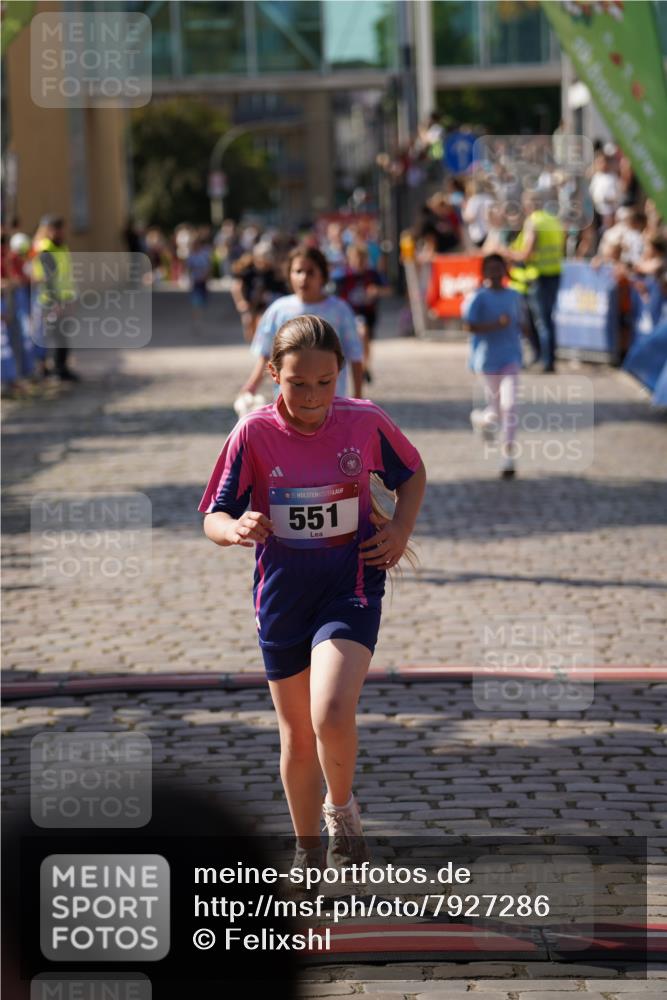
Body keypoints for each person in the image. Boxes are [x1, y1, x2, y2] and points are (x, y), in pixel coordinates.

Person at [199, 316, 426, 873]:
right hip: (281, 598)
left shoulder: (364, 421)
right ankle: (306, 849)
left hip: (349, 585)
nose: (312, 396)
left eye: (325, 383)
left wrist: (399, 530)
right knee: (298, 736)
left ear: (340, 374)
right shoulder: (252, 433)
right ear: (273, 373)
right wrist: (234, 530)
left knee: (329, 709)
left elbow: (412, 472)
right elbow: (213, 514)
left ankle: (341, 811)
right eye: (298, 383)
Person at [240, 245, 364, 399]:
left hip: (331, 402)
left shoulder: (340, 310)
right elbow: (266, 354)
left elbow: (355, 356)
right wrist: (252, 385)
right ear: (289, 274)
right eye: (298, 271)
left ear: (323, 275)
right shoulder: (278, 310)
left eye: (310, 272)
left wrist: (358, 399)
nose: (303, 278)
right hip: (288, 403)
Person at [463, 254, 527, 479]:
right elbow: (469, 326)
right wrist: (495, 325)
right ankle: (481, 418)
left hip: (511, 358)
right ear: (484, 272)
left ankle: (508, 456)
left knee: (509, 406)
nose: (495, 273)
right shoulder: (479, 297)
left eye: (499, 268)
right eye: (490, 269)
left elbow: (523, 323)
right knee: (496, 409)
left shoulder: (515, 296)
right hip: (487, 359)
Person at [507, 191, 564, 373]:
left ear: (528, 205)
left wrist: (505, 252)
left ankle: (545, 360)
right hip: (555, 273)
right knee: (547, 319)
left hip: (538, 276)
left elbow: (526, 254)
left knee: (541, 322)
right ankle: (545, 358)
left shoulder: (533, 222)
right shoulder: (553, 220)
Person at [29, 215, 79, 381]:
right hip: (49, 300)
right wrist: (55, 302)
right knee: (48, 335)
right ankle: (49, 369)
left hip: (63, 298)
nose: (62, 232)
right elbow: (47, 278)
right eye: (58, 229)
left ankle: (60, 367)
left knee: (61, 334)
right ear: (49, 230)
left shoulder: (60, 246)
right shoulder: (45, 248)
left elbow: (66, 275)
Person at [335, 243, 391, 384]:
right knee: (361, 333)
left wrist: (377, 291)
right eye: (356, 258)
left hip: (367, 313)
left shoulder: (372, 275)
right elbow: (330, 289)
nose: (359, 262)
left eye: (362, 259)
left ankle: (365, 366)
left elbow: (389, 289)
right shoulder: (343, 276)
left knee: (365, 337)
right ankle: (354, 367)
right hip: (348, 314)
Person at [231, 242, 288, 343]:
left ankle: (262, 345)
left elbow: (282, 289)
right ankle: (255, 345)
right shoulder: (248, 270)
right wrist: (240, 301)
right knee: (248, 325)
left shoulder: (272, 272)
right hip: (250, 303)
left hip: (265, 304)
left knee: (262, 324)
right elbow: (237, 287)